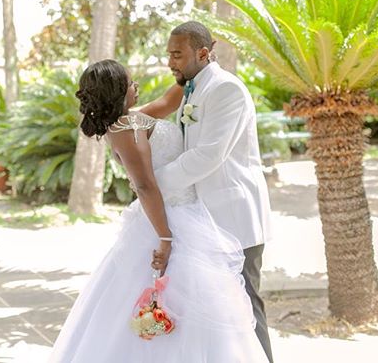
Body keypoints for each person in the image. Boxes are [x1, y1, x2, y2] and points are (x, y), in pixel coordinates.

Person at [49, 59, 268, 363]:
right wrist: (165, 239)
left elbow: (168, 101)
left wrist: (194, 68)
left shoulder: (134, 119)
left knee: (197, 307)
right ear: (118, 92)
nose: (135, 85)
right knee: (174, 305)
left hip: (189, 212)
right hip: (169, 222)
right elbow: (145, 185)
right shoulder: (124, 129)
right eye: (130, 82)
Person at [152, 21, 274, 362]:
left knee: (246, 309)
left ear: (203, 53)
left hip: (234, 219)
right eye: (169, 55)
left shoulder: (226, 90)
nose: (171, 62)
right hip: (204, 220)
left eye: (177, 55)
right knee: (219, 317)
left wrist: (153, 184)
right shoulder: (191, 89)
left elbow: (208, 155)